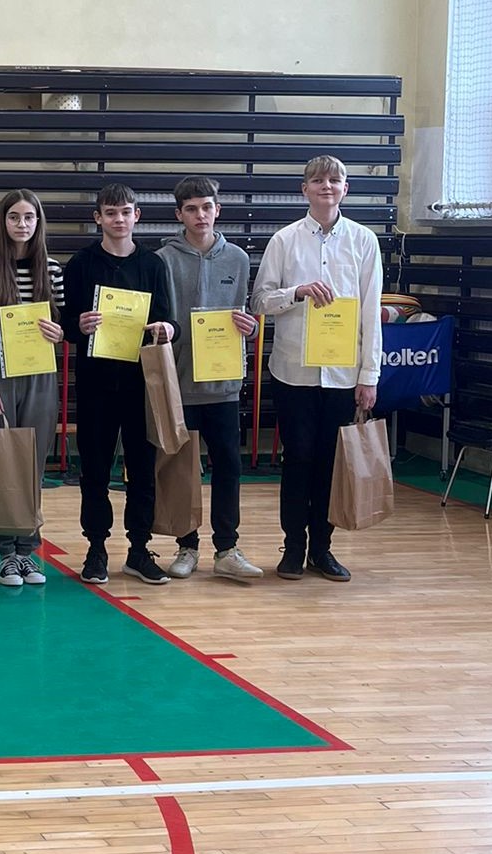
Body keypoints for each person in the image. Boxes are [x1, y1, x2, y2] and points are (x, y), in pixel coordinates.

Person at [250, 155, 382, 583]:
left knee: (329, 463)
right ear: (304, 188)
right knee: (298, 459)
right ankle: (293, 547)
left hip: (342, 375)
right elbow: (259, 301)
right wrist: (298, 291)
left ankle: (322, 549)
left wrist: (369, 376)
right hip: (293, 372)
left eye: (335, 180)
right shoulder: (284, 240)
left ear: (346, 188)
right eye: (318, 180)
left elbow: (370, 313)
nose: (327, 186)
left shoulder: (364, 241)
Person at [61, 182, 177, 586]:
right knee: (94, 470)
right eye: (110, 213)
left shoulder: (153, 264)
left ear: (136, 216)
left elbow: (169, 320)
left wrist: (167, 328)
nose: (119, 219)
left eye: (126, 212)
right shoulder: (80, 264)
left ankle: (139, 550)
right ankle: (96, 548)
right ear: (98, 218)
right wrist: (78, 324)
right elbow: (65, 324)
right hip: (95, 384)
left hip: (141, 383)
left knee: (142, 470)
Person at [156, 175, 264, 581]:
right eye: (191, 209)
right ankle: (186, 546)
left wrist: (251, 327)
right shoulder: (162, 260)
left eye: (207, 207)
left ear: (218, 210)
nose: (200, 215)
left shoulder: (237, 258)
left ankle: (227, 548)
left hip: (223, 385)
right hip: (178, 383)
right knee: (182, 470)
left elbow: (246, 315)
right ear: (179, 214)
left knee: (229, 467)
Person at [0, 189, 65, 588]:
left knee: (32, 462)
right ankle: (5, 552)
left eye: (29, 217)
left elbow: (62, 326)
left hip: (40, 372)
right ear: (3, 222)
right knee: (1, 461)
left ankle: (28, 550)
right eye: (14, 217)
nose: (22, 224)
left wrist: (59, 333)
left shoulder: (53, 270)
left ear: (38, 222)